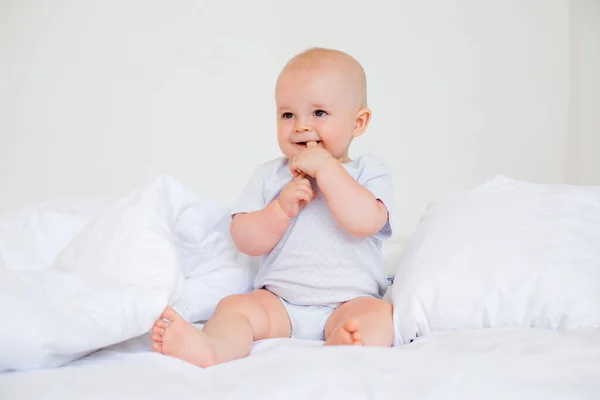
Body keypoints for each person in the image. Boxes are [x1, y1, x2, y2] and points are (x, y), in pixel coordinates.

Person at [150, 47, 395, 368]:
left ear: (358, 122)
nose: (301, 126)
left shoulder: (368, 171)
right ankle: (213, 347)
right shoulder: (271, 175)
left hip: (350, 300)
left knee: (379, 317)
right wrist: (280, 209)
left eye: (319, 113)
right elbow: (245, 239)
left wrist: (328, 170)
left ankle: (345, 345)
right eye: (288, 114)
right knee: (234, 307)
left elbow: (367, 221)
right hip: (278, 300)